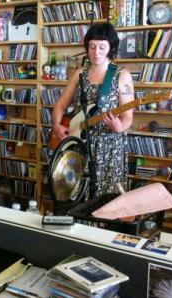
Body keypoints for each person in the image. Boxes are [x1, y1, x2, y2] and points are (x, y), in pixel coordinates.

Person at [51, 23, 134, 197]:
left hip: (109, 147)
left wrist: (120, 127)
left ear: (111, 48)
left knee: (107, 199)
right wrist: (57, 125)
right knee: (77, 194)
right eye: (92, 47)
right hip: (79, 143)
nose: (96, 52)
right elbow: (60, 105)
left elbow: (128, 116)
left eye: (102, 47)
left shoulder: (122, 75)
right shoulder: (79, 73)